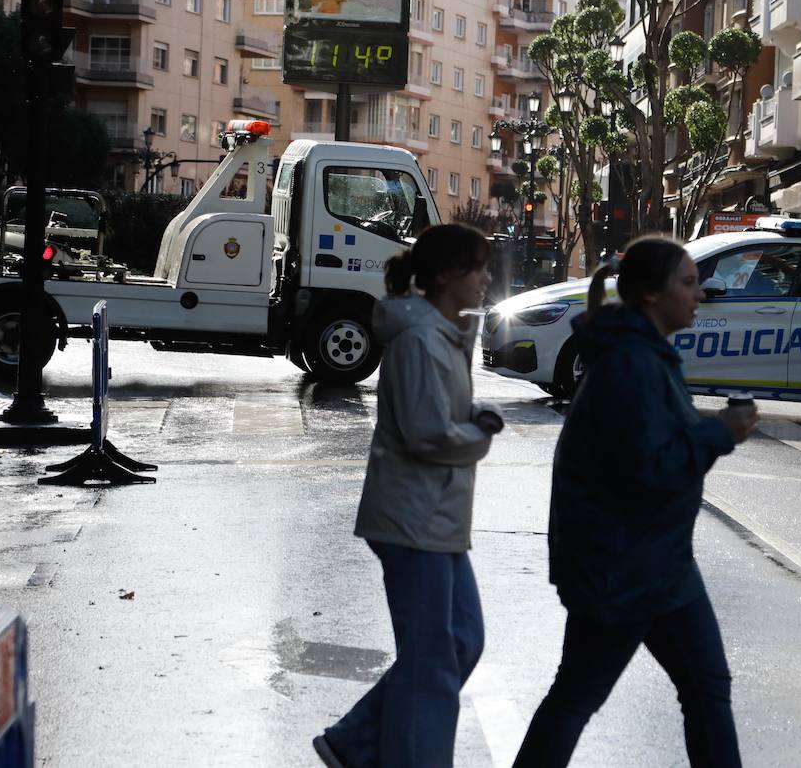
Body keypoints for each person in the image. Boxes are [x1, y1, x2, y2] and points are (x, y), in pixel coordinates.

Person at [513, 236, 760, 768]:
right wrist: (719, 433)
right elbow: (650, 469)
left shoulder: (643, 353)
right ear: (651, 294)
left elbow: (649, 440)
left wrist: (707, 428)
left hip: (656, 561)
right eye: (689, 283)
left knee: (705, 687)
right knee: (579, 695)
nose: (702, 293)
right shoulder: (632, 363)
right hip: (622, 567)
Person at [314, 223, 503, 768]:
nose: (488, 278)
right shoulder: (421, 339)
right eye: (480, 267)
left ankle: (353, 741)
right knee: (432, 665)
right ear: (446, 274)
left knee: (461, 640)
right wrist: (479, 433)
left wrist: (471, 422)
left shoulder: (441, 333)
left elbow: (439, 419)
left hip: (437, 518)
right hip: (413, 518)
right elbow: (427, 434)